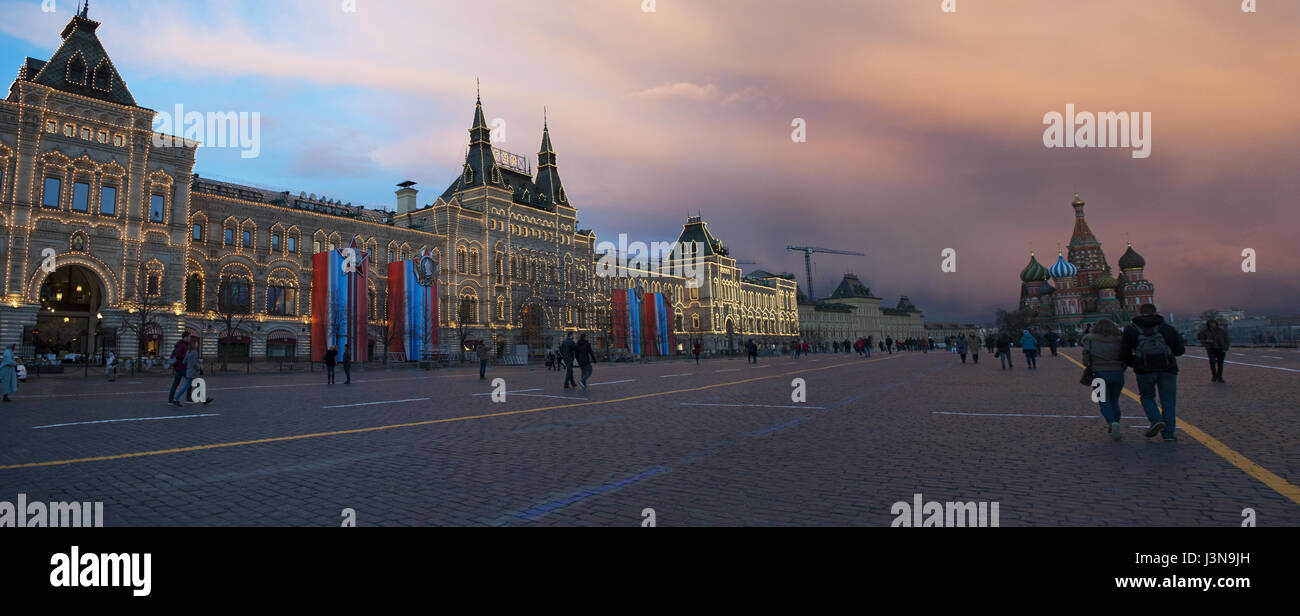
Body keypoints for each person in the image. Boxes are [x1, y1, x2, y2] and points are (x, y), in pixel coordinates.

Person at [1121, 303, 1185, 442]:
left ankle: (1156, 419)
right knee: (1168, 401)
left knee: (1147, 397)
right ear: (1155, 311)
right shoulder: (1167, 328)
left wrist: (1137, 363)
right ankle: (1168, 434)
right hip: (1168, 370)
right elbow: (1180, 350)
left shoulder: (1131, 329)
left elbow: (1124, 353)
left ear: (1139, 312)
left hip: (1144, 370)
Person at [1083, 319, 1125, 440]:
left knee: (1103, 401)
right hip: (1117, 373)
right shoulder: (1119, 339)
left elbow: (1086, 359)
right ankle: (1116, 423)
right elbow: (1125, 356)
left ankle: (1112, 423)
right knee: (1114, 401)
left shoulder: (1090, 339)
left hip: (1099, 373)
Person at [177, 335, 213, 406]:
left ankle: (204, 400)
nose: (197, 344)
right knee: (191, 386)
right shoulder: (194, 352)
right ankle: (175, 399)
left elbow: (184, 361)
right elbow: (194, 364)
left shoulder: (188, 352)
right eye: (196, 343)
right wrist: (199, 368)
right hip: (193, 373)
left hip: (189, 372)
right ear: (194, 344)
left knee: (197, 386)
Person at [1197, 318, 1230, 383]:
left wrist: (1225, 348)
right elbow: (1201, 339)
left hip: (1221, 349)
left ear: (1216, 324)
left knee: (1220, 364)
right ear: (1208, 324)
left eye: (1213, 323)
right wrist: (1206, 341)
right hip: (1211, 349)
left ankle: (1219, 377)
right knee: (1212, 362)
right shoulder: (1205, 331)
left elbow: (1226, 339)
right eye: (1211, 323)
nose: (1212, 324)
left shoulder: (1221, 331)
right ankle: (1214, 376)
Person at [166, 338, 188, 406]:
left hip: (178, 367)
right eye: (189, 337)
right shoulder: (182, 345)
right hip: (182, 367)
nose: (190, 338)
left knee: (175, 384)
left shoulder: (179, 345)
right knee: (192, 380)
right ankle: (190, 398)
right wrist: (185, 357)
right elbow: (179, 355)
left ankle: (170, 400)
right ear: (185, 337)